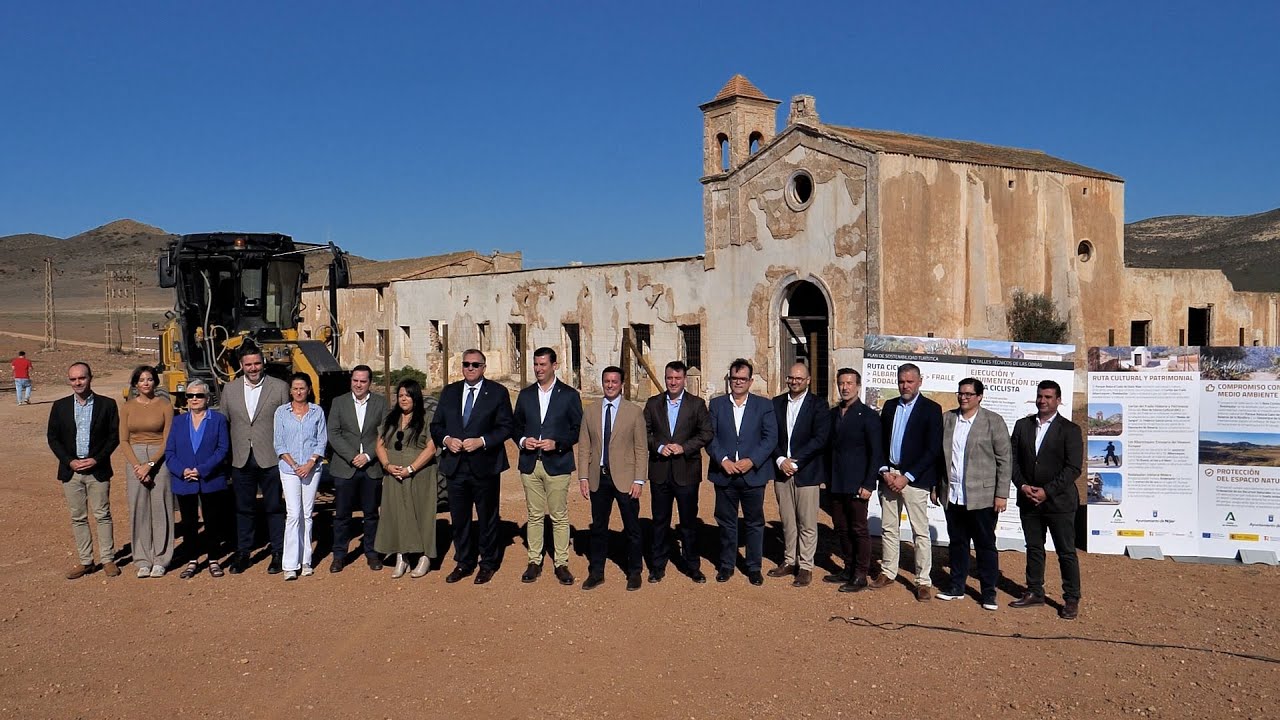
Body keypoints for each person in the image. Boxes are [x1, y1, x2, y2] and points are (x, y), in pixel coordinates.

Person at [430, 349, 513, 585]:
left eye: (475, 365)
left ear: (484, 367)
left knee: (487, 517)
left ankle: (487, 563)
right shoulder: (450, 392)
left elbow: (506, 426)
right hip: (455, 466)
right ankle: (464, 562)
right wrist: (446, 440)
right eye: (466, 364)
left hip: (484, 465)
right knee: (460, 518)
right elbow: (437, 426)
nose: (470, 368)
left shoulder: (497, 392)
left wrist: (482, 441)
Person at [934, 378, 1011, 611]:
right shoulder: (947, 419)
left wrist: (1001, 494)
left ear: (979, 396)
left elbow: (1004, 460)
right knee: (957, 543)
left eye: (968, 394)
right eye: (960, 393)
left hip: (983, 497)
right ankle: (956, 586)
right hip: (953, 494)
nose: (963, 397)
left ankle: (988, 592)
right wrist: (937, 487)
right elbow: (940, 457)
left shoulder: (993, 422)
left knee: (985, 544)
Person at [1009, 380, 1084, 620]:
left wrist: (1047, 491)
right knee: (1033, 548)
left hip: (1059, 502)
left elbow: (1073, 468)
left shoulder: (1070, 430)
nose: (1043, 400)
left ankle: (1071, 599)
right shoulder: (1022, 426)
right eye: (1040, 396)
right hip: (1029, 500)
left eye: (1049, 397)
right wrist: (1022, 485)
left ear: (1058, 400)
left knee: (1066, 552)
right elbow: (1012, 460)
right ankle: (1034, 591)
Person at [870, 362, 943, 601]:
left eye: (910, 381)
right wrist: (884, 471)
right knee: (888, 528)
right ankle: (888, 571)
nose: (905, 385)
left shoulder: (931, 409)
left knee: (919, 532)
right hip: (889, 475)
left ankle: (923, 581)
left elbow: (932, 449)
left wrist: (907, 477)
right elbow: (880, 441)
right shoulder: (890, 406)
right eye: (901, 381)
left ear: (919, 382)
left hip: (914, 479)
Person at [511, 347, 582, 585]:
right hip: (530, 463)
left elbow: (577, 429)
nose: (539, 369)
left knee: (559, 515)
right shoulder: (526, 394)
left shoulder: (569, 395)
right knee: (534, 514)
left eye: (543, 365)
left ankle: (561, 563)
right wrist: (523, 441)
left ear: (554, 365)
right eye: (536, 364)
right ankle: (534, 561)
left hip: (557, 462)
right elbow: (515, 426)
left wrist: (558, 444)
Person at [706, 358, 777, 586]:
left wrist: (752, 460)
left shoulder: (763, 405)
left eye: (742, 379)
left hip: (752, 474)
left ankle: (753, 566)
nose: (738, 382)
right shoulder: (716, 405)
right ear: (729, 379)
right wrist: (723, 460)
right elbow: (710, 437)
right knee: (726, 521)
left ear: (750, 381)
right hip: (725, 473)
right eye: (734, 378)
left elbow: (770, 438)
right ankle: (726, 565)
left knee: (754, 522)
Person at [47, 362, 120, 579]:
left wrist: (96, 459)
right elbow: (53, 438)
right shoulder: (59, 406)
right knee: (78, 517)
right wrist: (69, 461)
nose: (77, 382)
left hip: (97, 470)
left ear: (90, 378)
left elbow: (113, 437)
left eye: (82, 378)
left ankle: (108, 559)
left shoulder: (107, 405)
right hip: (71, 472)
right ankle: (86, 561)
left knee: (102, 515)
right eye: (73, 379)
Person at [577, 366, 648, 591]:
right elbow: (584, 446)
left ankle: (634, 571)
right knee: (599, 527)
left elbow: (641, 448)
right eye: (606, 381)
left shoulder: (634, 412)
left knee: (632, 527)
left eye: (614, 381)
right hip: (599, 477)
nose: (609, 385)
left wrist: (639, 480)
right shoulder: (591, 411)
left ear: (621, 385)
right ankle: (596, 572)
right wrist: (583, 477)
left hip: (626, 479)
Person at [221, 345, 290, 574]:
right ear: (241, 365)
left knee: (274, 507)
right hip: (241, 458)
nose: (253, 368)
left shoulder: (279, 388)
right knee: (243, 508)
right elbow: (225, 424)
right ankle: (243, 553)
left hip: (270, 457)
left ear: (264, 363)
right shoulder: (229, 391)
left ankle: (278, 552)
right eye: (248, 364)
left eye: (257, 363)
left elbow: (286, 425)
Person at [643, 360, 713, 584]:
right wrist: (660, 447)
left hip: (686, 471)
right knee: (660, 521)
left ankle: (692, 566)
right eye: (669, 378)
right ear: (665, 379)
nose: (673, 382)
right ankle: (657, 566)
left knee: (688, 522)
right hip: (660, 471)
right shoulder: (653, 404)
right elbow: (644, 432)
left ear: (684, 380)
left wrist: (684, 447)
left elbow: (706, 433)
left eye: (677, 378)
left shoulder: (697, 404)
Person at [769, 361, 830, 587]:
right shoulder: (776, 403)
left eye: (799, 378)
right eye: (791, 378)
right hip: (781, 471)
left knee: (807, 522)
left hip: (807, 472)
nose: (794, 382)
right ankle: (788, 560)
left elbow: (820, 438)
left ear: (808, 380)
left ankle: (805, 565)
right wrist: (779, 459)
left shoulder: (818, 405)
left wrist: (796, 462)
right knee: (788, 520)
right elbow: (770, 435)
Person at [165, 379, 233, 579]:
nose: (194, 399)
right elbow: (170, 451)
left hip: (210, 479)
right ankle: (192, 559)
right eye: (190, 396)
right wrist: (182, 470)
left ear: (208, 398)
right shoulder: (178, 421)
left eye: (199, 395)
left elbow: (223, 449)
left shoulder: (218, 420)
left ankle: (213, 559)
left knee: (212, 521)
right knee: (189, 522)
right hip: (184, 479)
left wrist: (201, 470)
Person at [824, 368, 882, 593]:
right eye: (841, 383)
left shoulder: (868, 416)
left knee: (858, 529)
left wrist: (869, 484)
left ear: (858, 386)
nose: (845, 387)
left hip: (858, 483)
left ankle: (860, 574)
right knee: (840, 527)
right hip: (836, 482)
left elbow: (875, 453)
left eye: (849, 383)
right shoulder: (833, 414)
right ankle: (848, 568)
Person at [326, 365, 389, 573]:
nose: (358, 384)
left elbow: (385, 432)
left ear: (370, 382)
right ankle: (339, 555)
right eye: (355, 380)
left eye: (363, 381)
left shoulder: (380, 403)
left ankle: (372, 553)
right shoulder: (339, 402)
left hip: (371, 468)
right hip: (345, 467)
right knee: (342, 514)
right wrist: (353, 456)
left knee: (371, 513)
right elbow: (333, 433)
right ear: (351, 381)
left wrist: (369, 455)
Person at [375, 379, 440, 579]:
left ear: (415, 397)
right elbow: (379, 445)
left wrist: (411, 468)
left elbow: (431, 447)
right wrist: (387, 466)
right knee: (397, 514)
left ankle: (424, 557)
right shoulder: (390, 418)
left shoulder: (426, 418)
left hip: (420, 474)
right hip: (394, 474)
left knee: (421, 513)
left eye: (408, 395)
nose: (404, 399)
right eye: (400, 395)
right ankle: (402, 557)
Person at [119, 365, 175, 578]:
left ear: (155, 382)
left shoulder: (165, 405)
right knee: (138, 509)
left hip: (159, 459)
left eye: (150, 379)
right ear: (135, 384)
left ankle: (161, 558)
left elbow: (167, 438)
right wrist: (137, 465)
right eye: (141, 379)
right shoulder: (127, 407)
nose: (146, 383)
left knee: (161, 508)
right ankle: (142, 559)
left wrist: (150, 464)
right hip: (134, 458)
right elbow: (123, 440)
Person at [273, 373, 328, 580]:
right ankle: (289, 564)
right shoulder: (281, 412)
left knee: (307, 514)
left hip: (312, 468)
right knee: (293, 514)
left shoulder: (317, 411)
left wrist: (310, 463)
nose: (298, 392)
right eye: (295, 388)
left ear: (308, 390)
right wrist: (295, 465)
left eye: (302, 388)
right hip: (289, 469)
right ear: (290, 390)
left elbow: (321, 440)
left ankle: (305, 561)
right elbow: (279, 443)